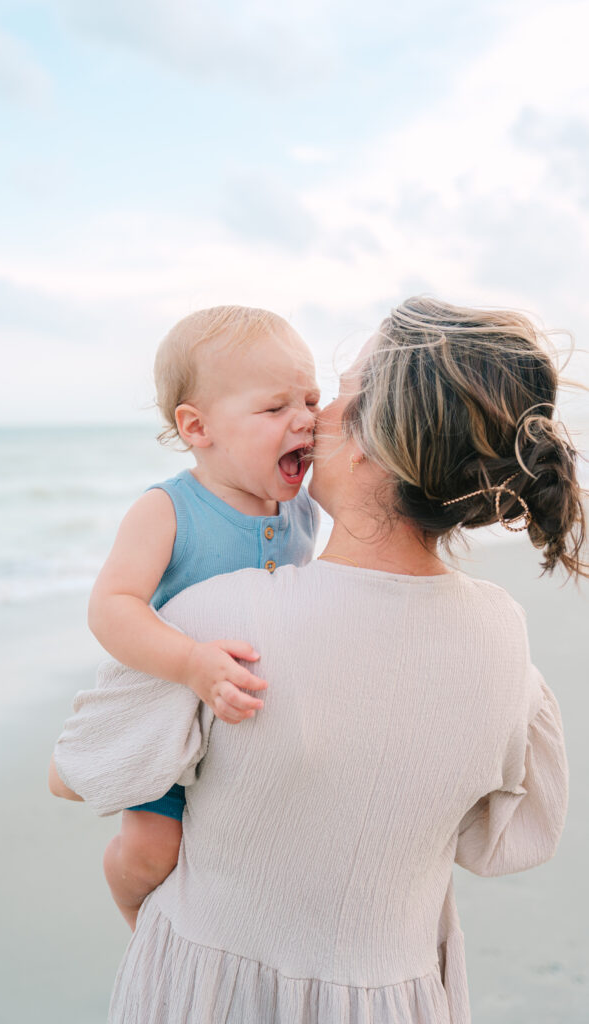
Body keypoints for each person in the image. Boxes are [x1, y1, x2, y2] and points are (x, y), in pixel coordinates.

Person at [51, 297, 582, 1024]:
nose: (313, 415)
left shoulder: (223, 624)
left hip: (212, 997)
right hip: (401, 998)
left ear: (370, 442)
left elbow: (76, 772)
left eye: (336, 391)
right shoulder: (503, 638)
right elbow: (508, 839)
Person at [86, 305, 321, 927]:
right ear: (197, 427)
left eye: (312, 400)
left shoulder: (302, 510)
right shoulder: (168, 509)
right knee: (152, 853)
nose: (304, 419)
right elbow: (111, 608)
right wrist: (189, 663)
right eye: (275, 408)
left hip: (247, 716)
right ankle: (135, 908)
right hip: (173, 707)